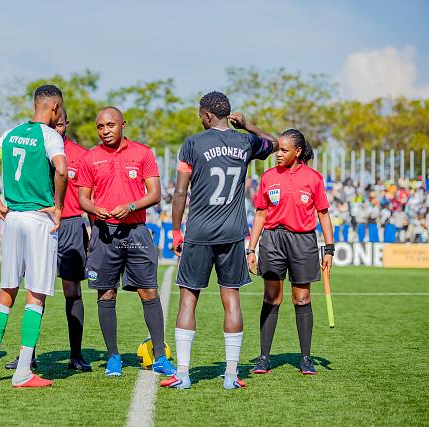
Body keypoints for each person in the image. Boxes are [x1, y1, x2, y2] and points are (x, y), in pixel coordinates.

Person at [161, 91, 277, 390]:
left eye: (201, 115)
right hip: (232, 232)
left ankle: (183, 374)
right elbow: (275, 143)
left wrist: (176, 232)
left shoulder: (193, 143)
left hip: (199, 232)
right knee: (231, 298)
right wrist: (247, 125)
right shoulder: (245, 142)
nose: (200, 119)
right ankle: (230, 375)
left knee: (189, 298)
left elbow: (180, 192)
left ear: (208, 115)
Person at [0, 84, 67, 388]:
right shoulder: (50, 136)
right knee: (35, 295)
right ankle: (23, 371)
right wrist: (58, 208)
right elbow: (62, 171)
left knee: (7, 291)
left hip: (12, 219)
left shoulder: (11, 134)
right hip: (38, 219)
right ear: (55, 108)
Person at [77, 106, 175, 377]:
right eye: (100, 126)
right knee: (106, 293)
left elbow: (154, 194)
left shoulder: (143, 153)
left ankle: (160, 357)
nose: (105, 131)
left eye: (110, 125)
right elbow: (83, 198)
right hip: (104, 233)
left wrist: (131, 206)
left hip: (136, 232)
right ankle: (113, 358)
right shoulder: (90, 157)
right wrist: (95, 209)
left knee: (149, 292)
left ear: (123, 125)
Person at [4, 109, 92, 372]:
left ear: (66, 124)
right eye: (54, 125)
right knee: (33, 290)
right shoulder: (35, 147)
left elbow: (90, 196)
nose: (57, 129)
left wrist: (92, 230)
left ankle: (76, 355)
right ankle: (28, 356)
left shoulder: (81, 155)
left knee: (72, 290)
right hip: (39, 223)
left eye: (61, 125)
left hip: (71, 224)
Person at [246, 129, 334, 375]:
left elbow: (323, 214)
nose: (278, 154)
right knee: (271, 297)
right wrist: (251, 249)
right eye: (278, 149)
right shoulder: (268, 177)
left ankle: (305, 358)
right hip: (273, 241)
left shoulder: (314, 178)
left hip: (303, 242)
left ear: (298, 152)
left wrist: (329, 249)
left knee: (302, 299)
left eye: (284, 150)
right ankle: (264, 358)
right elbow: (260, 215)